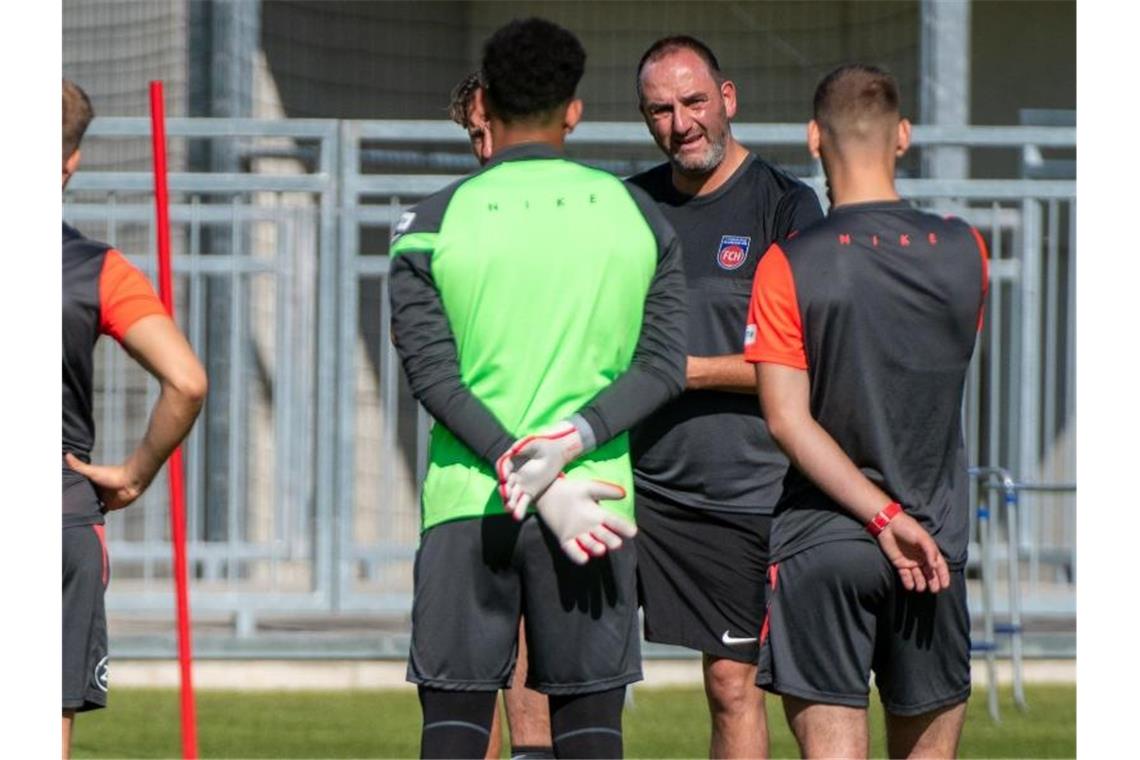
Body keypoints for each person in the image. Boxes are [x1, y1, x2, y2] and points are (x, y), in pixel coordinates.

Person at [391, 18, 686, 759]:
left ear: (483, 105)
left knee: (454, 734)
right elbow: (663, 367)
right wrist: (569, 448)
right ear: (575, 108)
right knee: (589, 734)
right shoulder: (638, 218)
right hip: (596, 508)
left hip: (469, 503)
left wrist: (513, 460)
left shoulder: (429, 225)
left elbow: (431, 374)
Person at [744, 63, 988, 758]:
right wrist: (907, 518)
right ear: (904, 136)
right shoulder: (967, 251)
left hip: (826, 542)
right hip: (934, 548)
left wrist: (881, 517)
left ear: (813, 137)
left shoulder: (786, 263)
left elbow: (787, 419)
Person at [625, 36, 822, 758]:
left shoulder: (786, 206)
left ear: (728, 98)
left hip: (740, 492)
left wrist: (691, 371)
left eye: (694, 102)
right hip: (624, 485)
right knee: (551, 663)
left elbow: (806, 358)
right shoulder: (630, 207)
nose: (681, 123)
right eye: (661, 109)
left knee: (732, 685)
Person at [61, 79, 208, 758]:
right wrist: (132, 474)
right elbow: (186, 380)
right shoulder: (101, 271)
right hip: (57, 514)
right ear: (71, 161)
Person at [446, 71, 554, 760]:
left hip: (558, 459)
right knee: (471, 653)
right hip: (469, 467)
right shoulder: (453, 218)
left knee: (543, 643)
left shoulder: (577, 213)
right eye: (474, 135)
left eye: (492, 131)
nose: (484, 147)